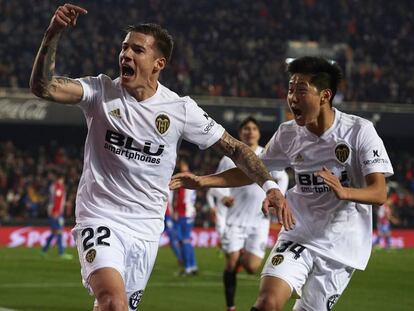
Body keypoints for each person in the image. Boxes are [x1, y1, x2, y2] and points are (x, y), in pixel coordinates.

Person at [30, 4, 293, 311]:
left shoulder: (180, 109)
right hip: (100, 217)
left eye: (137, 50)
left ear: (158, 63)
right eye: (124, 48)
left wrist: (271, 187)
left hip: (146, 228)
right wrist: (53, 34)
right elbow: (43, 87)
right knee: (112, 301)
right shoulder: (100, 91)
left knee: (120, 306)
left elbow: (235, 148)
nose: (125, 55)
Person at [170, 56, 393, 311]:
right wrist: (203, 181)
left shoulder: (359, 131)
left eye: (301, 90)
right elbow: (253, 170)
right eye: (290, 89)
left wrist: (344, 192)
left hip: (339, 245)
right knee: (267, 303)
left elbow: (379, 192)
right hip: (297, 233)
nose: (292, 98)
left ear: (325, 95)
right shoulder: (288, 133)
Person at [214, 117, 289, 311]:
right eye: (246, 128)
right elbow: (217, 184)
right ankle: (230, 306)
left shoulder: (267, 155)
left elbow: (282, 177)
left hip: (259, 221)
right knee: (230, 263)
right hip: (235, 220)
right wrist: (223, 197)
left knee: (252, 266)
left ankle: (240, 255)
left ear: (258, 132)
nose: (250, 131)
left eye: (253, 128)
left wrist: (278, 197)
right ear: (240, 133)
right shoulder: (228, 158)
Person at [172, 157, 198, 275]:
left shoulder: (185, 178)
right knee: (186, 241)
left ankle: (188, 267)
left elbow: (182, 197)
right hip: (189, 212)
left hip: (184, 213)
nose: (179, 167)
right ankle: (192, 266)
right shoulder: (192, 177)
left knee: (184, 241)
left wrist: (177, 211)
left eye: (181, 165)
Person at [41, 173, 73, 259]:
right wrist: (56, 211)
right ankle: (61, 252)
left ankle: (44, 250)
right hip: (57, 212)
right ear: (61, 178)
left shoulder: (54, 186)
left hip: (55, 211)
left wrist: (64, 205)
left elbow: (56, 200)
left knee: (54, 232)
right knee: (59, 232)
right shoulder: (59, 187)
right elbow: (57, 200)